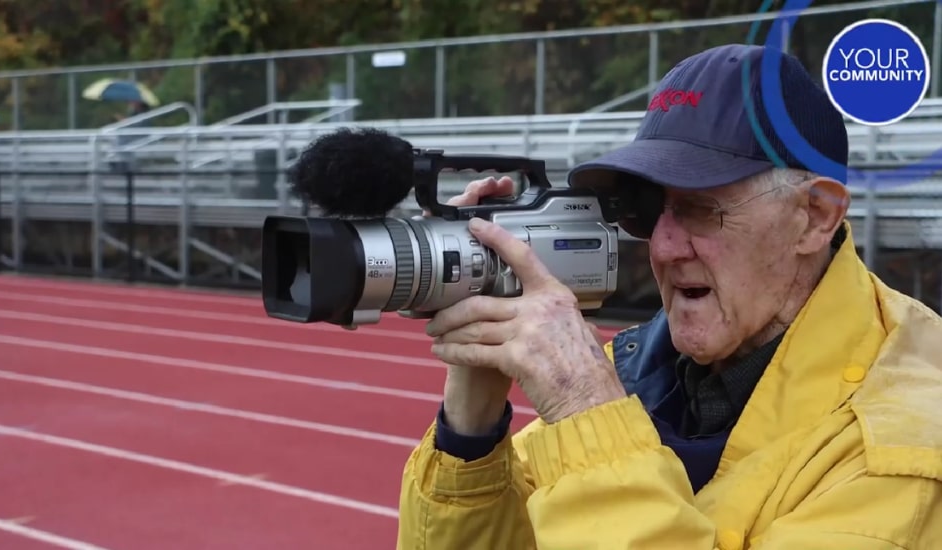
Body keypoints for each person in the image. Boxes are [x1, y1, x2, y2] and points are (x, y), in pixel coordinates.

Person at [395, 43, 942, 549]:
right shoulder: (633, 373)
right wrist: (473, 417)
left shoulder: (906, 438)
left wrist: (585, 406)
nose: (661, 244)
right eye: (648, 208)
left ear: (813, 218)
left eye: (701, 208)